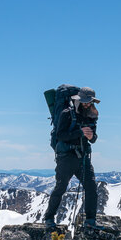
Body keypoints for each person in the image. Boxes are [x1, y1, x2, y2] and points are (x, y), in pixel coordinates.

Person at [43, 86, 101, 231]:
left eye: (89, 102)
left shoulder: (91, 115)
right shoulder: (66, 114)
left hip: (83, 157)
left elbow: (93, 138)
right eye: (85, 102)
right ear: (78, 100)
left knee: (91, 187)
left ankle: (90, 220)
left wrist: (90, 136)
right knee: (61, 187)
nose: (87, 105)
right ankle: (49, 218)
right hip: (66, 157)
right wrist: (80, 132)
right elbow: (60, 135)